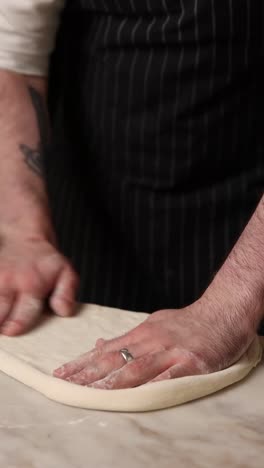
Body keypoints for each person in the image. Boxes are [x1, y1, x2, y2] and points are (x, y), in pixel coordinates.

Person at [0, 0, 263, 390]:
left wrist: (228, 308)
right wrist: (25, 233)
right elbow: (14, 57)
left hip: (244, 229)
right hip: (93, 216)